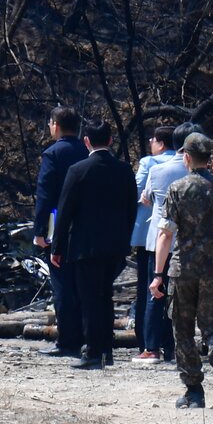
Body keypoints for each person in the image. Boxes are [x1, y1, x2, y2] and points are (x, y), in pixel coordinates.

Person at [151, 132, 213, 407]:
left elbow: (166, 234)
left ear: (186, 157)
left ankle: (194, 391)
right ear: (208, 157)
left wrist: (157, 274)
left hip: (183, 269)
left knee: (183, 329)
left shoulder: (177, 189)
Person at [51, 120, 137, 370]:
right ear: (110, 140)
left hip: (85, 246)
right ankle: (107, 349)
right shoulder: (124, 170)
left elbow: (65, 212)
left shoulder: (78, 170)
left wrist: (57, 247)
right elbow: (131, 209)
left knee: (89, 299)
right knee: (105, 296)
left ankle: (93, 351)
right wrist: (126, 239)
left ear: (86, 141)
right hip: (115, 245)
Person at [134, 124, 197, 363]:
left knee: (155, 293)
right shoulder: (197, 174)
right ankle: (174, 346)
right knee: (181, 296)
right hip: (188, 241)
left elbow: (146, 198)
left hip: (159, 240)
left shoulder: (157, 170)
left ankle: (151, 347)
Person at [33, 106, 89, 357]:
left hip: (58, 225)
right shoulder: (86, 151)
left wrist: (39, 230)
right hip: (86, 225)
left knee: (62, 284)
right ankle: (86, 336)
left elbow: (45, 195)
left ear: (55, 125)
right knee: (82, 284)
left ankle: (67, 340)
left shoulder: (53, 154)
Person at [129, 126, 175, 357]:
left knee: (148, 289)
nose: (150, 142)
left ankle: (147, 343)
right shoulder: (186, 165)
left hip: (150, 235)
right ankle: (170, 344)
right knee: (170, 290)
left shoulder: (150, 164)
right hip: (178, 237)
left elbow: (136, 192)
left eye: (153, 139)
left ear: (161, 143)